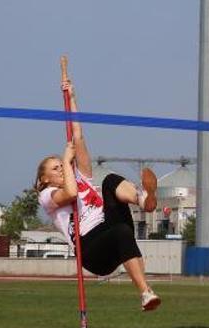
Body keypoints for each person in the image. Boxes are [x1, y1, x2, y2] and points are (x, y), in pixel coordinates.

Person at [36, 79, 161, 311]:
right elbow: (71, 193)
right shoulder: (47, 195)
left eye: (62, 166)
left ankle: (144, 200)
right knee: (120, 231)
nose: (62, 170)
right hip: (90, 249)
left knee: (110, 182)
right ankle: (145, 292)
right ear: (44, 179)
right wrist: (65, 158)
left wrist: (72, 98)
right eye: (56, 169)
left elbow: (78, 135)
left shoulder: (81, 175)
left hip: (110, 232)